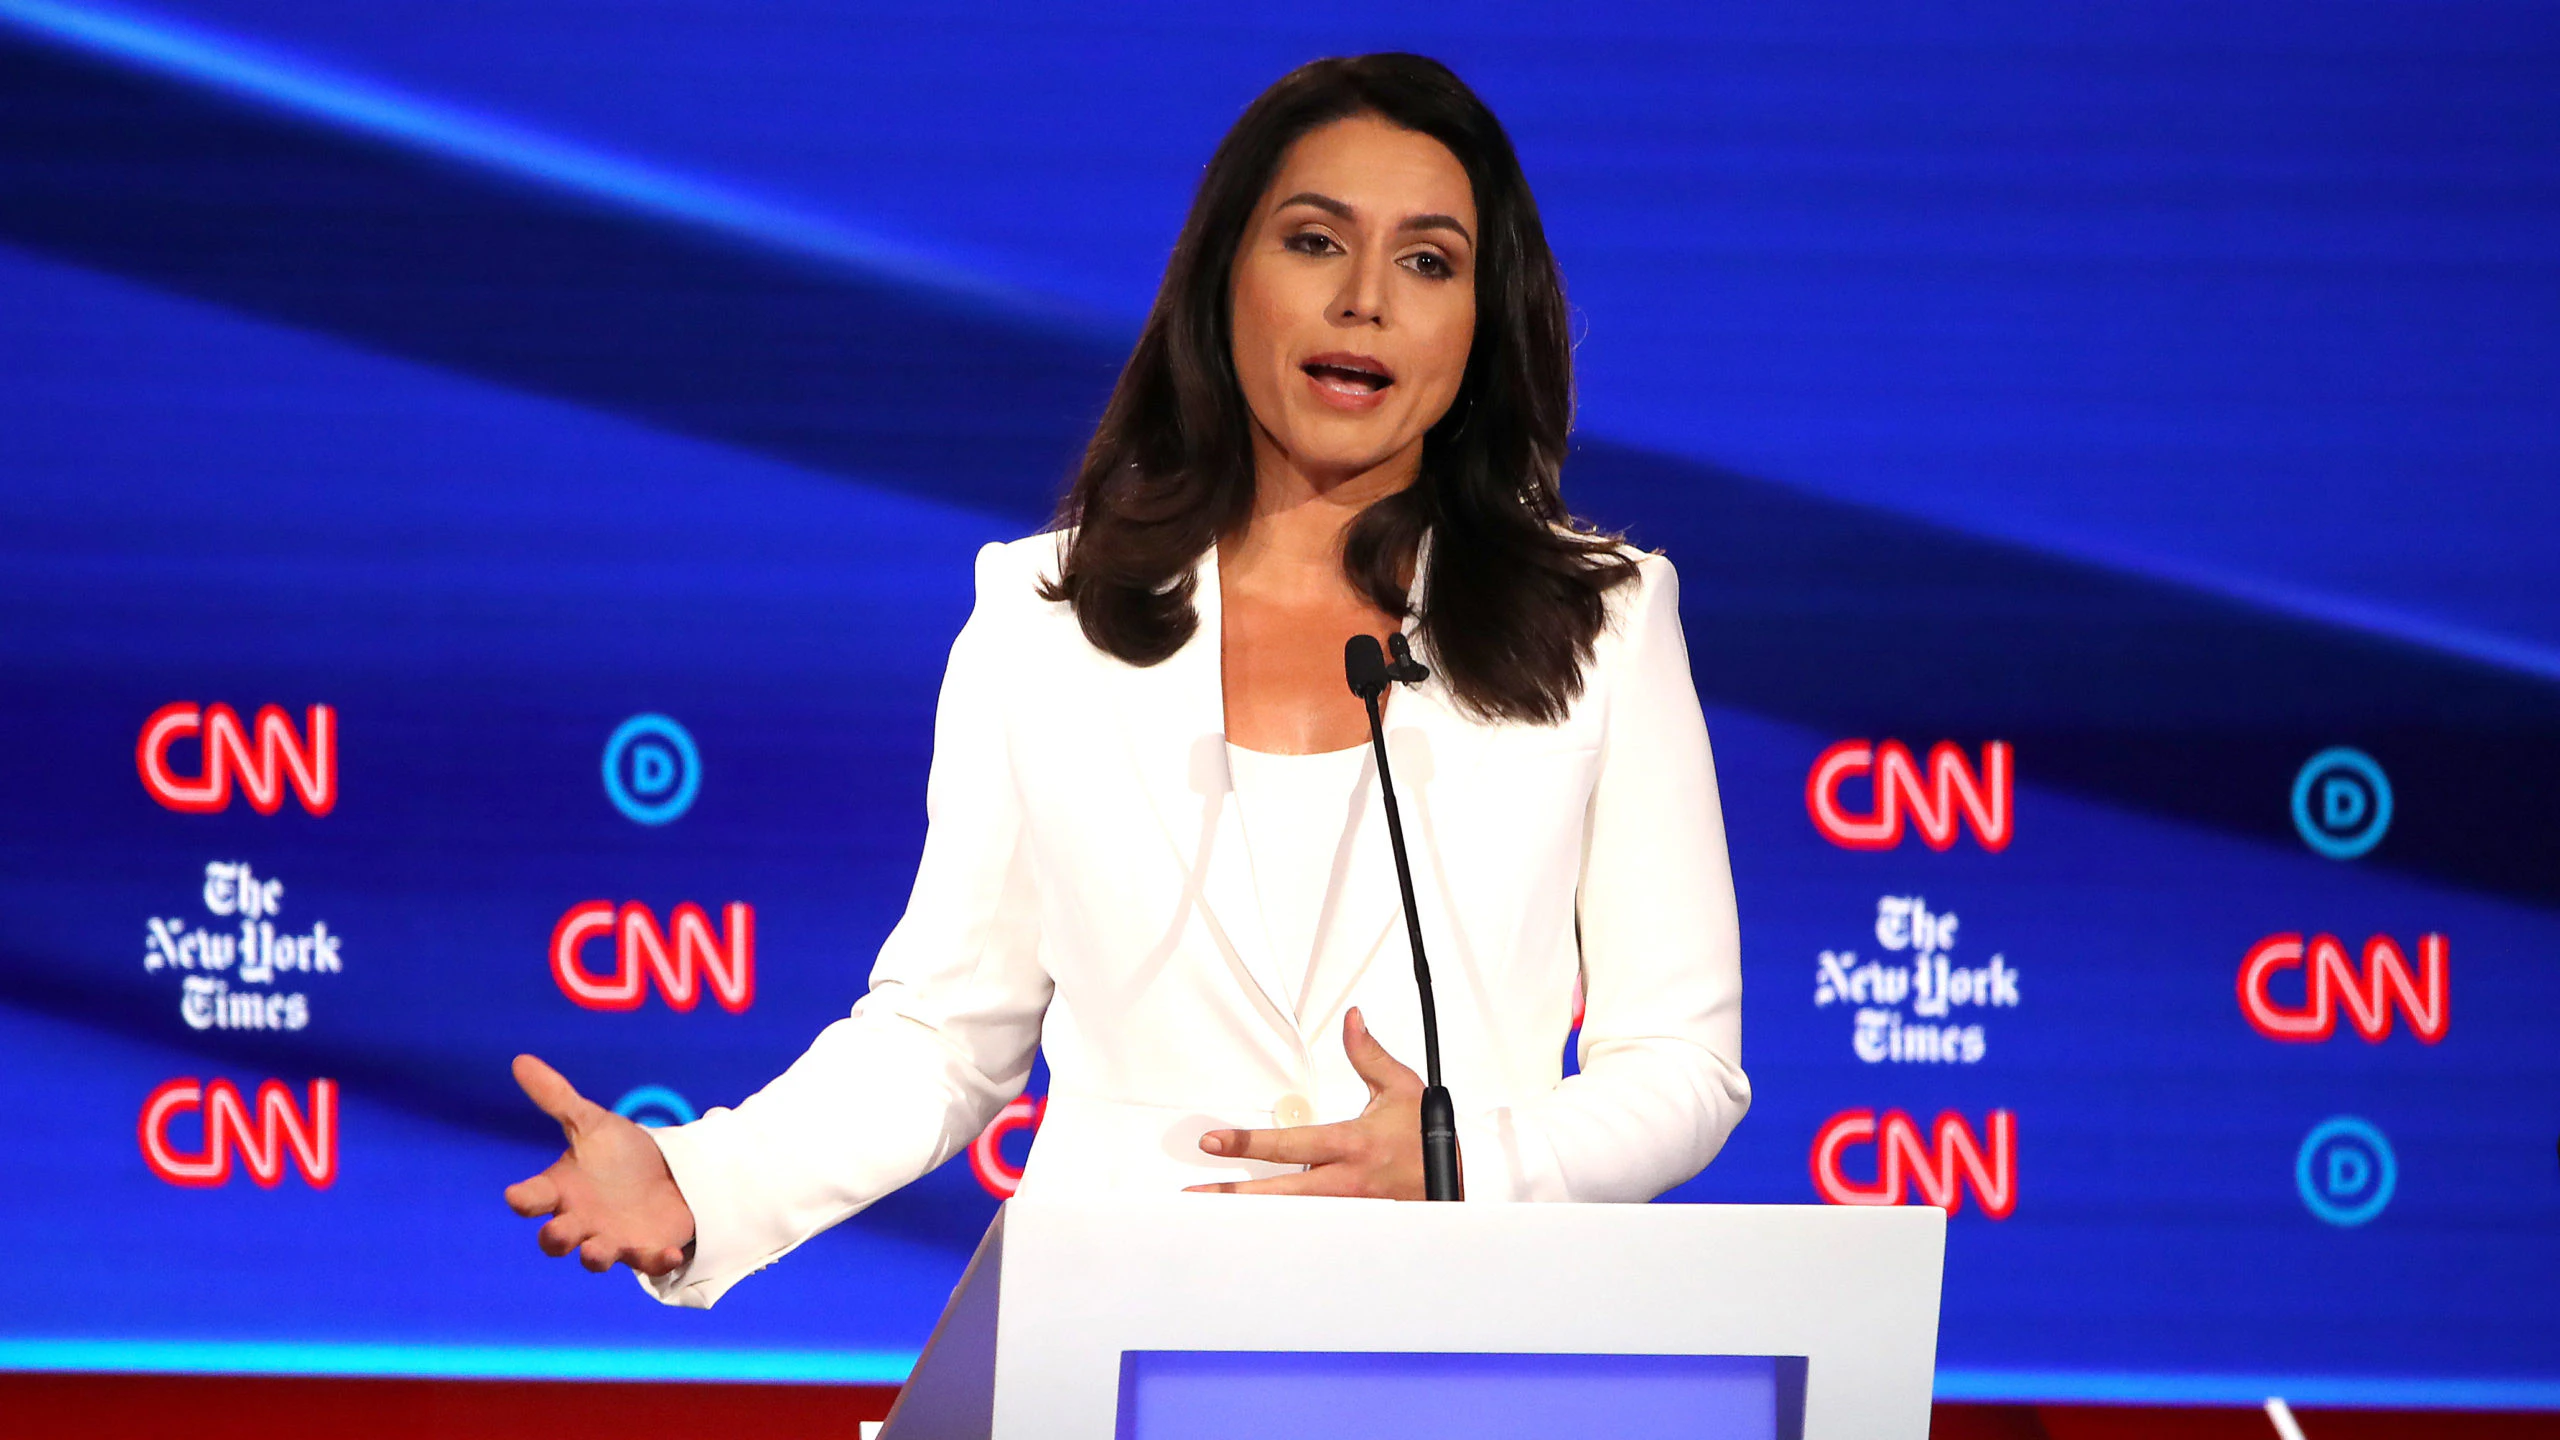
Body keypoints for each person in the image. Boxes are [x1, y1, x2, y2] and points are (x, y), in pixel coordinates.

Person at [504, 52, 1747, 1310]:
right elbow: (947, 1036)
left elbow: (1682, 1065)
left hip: (1457, 1335)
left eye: (1428, 262)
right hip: (1113, 1332)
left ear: (1481, 326)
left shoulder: (1602, 620)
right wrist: (702, 1183)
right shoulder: (1046, 616)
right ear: (1224, 282)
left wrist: (1458, 1158)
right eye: (1315, 242)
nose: (1366, 299)